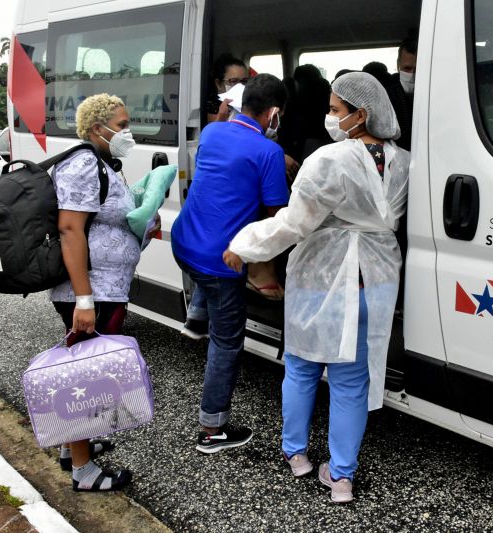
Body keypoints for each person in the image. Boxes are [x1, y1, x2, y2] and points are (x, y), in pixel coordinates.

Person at [223, 72, 409, 503]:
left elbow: (294, 222)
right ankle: (341, 477)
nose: (329, 116)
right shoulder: (403, 162)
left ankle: (297, 455)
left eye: (335, 109)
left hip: (322, 279)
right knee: (351, 383)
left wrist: (243, 246)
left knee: (302, 368)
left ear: (361, 115)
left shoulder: (329, 159)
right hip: (375, 282)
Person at [171, 74, 289, 453]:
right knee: (227, 343)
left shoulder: (211, 133)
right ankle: (212, 429)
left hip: (184, 242)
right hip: (220, 263)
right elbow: (276, 218)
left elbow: (231, 151)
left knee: (205, 275)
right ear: (273, 113)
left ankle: (195, 318)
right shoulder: (269, 153)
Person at [51, 93, 157, 491]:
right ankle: (84, 472)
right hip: (91, 291)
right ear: (99, 128)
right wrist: (84, 299)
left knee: (86, 368)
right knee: (85, 377)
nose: (128, 131)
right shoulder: (83, 164)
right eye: (122, 125)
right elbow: (70, 229)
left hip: (106, 287)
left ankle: (72, 447)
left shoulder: (102, 163)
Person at [384, 37, 417, 151]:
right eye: (407, 68)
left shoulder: (438, 95)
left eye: (418, 69)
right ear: (398, 65)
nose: (412, 74)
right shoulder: (386, 96)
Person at [207, 54, 250, 123]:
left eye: (244, 81)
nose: (240, 85)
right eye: (233, 81)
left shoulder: (249, 105)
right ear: (219, 84)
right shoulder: (211, 107)